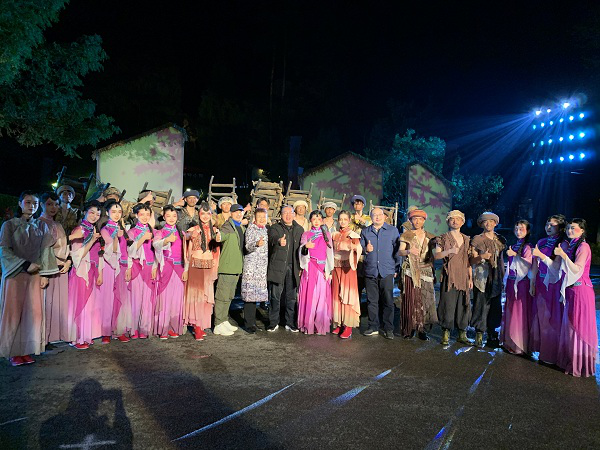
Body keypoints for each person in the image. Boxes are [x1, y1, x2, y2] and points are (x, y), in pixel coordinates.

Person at [0, 191, 58, 366]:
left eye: (35, 203)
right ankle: (13, 352)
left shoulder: (41, 226)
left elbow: (46, 250)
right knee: (13, 313)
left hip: (35, 275)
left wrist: (45, 274)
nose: (31, 206)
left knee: (33, 313)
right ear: (20, 203)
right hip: (15, 273)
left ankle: (26, 349)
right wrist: (25, 264)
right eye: (28, 202)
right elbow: (4, 249)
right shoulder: (9, 225)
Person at [545, 219, 596, 377]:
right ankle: (570, 360)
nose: (569, 230)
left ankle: (579, 364)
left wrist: (563, 255)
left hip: (581, 290)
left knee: (578, 327)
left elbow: (577, 269)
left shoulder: (583, 246)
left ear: (582, 230)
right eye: (568, 228)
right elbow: (558, 269)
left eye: (573, 228)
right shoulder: (571, 245)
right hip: (571, 290)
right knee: (570, 327)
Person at [529, 214, 566, 364]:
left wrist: (541, 255)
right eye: (547, 224)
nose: (548, 227)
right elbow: (534, 265)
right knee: (541, 317)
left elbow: (556, 267)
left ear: (560, 228)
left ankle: (553, 354)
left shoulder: (562, 245)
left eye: (552, 225)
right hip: (540, 283)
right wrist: (532, 283)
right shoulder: (541, 242)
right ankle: (544, 352)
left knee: (553, 318)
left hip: (554, 285)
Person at [360, 207, 401, 339]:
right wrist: (365, 249)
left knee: (388, 300)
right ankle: (373, 326)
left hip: (387, 270)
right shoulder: (365, 231)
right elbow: (360, 249)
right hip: (371, 270)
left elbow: (398, 251)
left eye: (379, 214)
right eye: (374, 215)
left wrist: (396, 268)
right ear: (371, 217)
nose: (377, 217)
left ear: (384, 216)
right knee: (372, 301)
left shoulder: (393, 231)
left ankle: (388, 328)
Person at [68, 201, 104, 350]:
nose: (95, 216)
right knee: (80, 304)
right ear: (84, 212)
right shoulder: (79, 229)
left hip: (92, 270)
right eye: (92, 212)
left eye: (98, 214)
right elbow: (77, 255)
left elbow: (98, 254)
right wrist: (92, 240)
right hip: (81, 271)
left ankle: (86, 335)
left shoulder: (93, 230)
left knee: (89, 305)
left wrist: (100, 272)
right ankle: (77, 337)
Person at [434, 210, 473, 346]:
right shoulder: (442, 238)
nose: (455, 221)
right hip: (449, 276)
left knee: (463, 304)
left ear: (462, 222)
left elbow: (468, 260)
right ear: (448, 222)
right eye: (452, 219)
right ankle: (445, 332)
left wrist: (470, 278)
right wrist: (449, 251)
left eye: (458, 219)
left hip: (463, 276)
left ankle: (462, 333)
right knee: (447, 304)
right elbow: (437, 256)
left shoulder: (467, 239)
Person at [39, 192, 73, 344]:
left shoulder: (58, 225)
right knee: (46, 304)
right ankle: (43, 338)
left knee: (58, 304)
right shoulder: (38, 223)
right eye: (49, 204)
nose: (53, 207)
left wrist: (68, 262)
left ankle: (54, 336)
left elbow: (65, 247)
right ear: (41, 205)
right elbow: (41, 250)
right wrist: (44, 273)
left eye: (56, 204)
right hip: (47, 269)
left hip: (61, 268)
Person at [398, 208, 437, 340]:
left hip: (426, 270)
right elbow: (400, 251)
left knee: (425, 300)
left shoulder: (431, 237)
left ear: (424, 221)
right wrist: (409, 252)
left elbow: (436, 253)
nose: (417, 221)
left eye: (420, 219)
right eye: (415, 219)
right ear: (411, 220)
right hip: (411, 271)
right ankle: (410, 328)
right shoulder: (406, 235)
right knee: (411, 299)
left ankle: (422, 329)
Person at [469, 212, 506, 348]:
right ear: (481, 224)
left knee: (495, 306)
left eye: (491, 221)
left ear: (495, 223)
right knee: (481, 305)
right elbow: (471, 260)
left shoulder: (500, 240)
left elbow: (501, 260)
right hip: (482, 276)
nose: (488, 224)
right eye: (485, 221)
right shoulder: (477, 239)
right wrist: (482, 257)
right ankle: (479, 333)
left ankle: (492, 334)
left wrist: (503, 277)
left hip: (496, 277)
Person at [185, 202, 220, 341]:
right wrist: (190, 235)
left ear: (211, 215)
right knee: (197, 297)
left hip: (209, 265)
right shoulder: (194, 229)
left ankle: (203, 324)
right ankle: (197, 327)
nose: (205, 216)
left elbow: (216, 251)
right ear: (199, 215)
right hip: (196, 266)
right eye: (202, 213)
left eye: (208, 213)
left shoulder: (215, 230)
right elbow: (186, 238)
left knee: (206, 297)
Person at [266, 205, 304, 332]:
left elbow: (302, 249)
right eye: (285, 213)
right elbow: (271, 239)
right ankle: (273, 322)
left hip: (293, 267)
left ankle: (290, 322)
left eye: (290, 213)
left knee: (291, 297)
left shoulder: (299, 229)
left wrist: (301, 266)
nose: (288, 215)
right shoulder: (275, 228)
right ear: (281, 215)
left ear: (294, 214)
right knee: (275, 296)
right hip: (278, 266)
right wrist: (278, 241)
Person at [153, 205, 187, 339]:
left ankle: (173, 327)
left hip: (180, 268)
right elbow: (155, 244)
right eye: (168, 216)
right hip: (166, 267)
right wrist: (166, 240)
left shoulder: (181, 232)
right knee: (165, 298)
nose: (171, 218)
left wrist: (186, 269)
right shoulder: (160, 232)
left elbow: (187, 252)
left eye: (174, 216)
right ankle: (163, 328)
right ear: (164, 217)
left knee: (177, 299)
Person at [297, 211, 334, 334]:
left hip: (322, 268)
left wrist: (329, 270)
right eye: (314, 219)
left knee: (321, 297)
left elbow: (330, 253)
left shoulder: (326, 234)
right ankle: (308, 324)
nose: (316, 221)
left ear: (322, 221)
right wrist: (305, 247)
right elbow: (301, 251)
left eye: (319, 219)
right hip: (310, 266)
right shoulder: (306, 234)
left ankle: (320, 325)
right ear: (310, 221)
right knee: (310, 296)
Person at [500, 220, 533, 354]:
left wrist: (516, 256)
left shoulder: (527, 247)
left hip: (521, 284)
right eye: (516, 229)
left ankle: (519, 345)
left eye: (521, 229)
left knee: (519, 313)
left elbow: (528, 264)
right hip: (511, 282)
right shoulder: (514, 246)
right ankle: (510, 342)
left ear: (527, 231)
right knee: (511, 311)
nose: (518, 232)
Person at [213, 204, 245, 336]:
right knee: (222, 296)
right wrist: (218, 236)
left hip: (236, 267)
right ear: (231, 213)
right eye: (236, 212)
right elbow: (221, 236)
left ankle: (224, 320)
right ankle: (218, 323)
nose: (238, 214)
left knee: (229, 296)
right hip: (227, 267)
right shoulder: (227, 226)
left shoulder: (241, 227)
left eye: (240, 212)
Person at [126, 203, 157, 339]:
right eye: (142, 214)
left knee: (147, 299)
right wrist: (143, 238)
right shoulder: (131, 232)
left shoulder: (153, 231)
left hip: (149, 267)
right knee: (135, 299)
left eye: (147, 214)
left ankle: (144, 328)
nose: (145, 217)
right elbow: (129, 251)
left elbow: (157, 252)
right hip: (136, 267)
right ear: (136, 215)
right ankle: (134, 329)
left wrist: (155, 267)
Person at [97, 201, 125, 344]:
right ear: (107, 213)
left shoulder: (121, 228)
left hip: (119, 266)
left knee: (118, 298)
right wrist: (115, 237)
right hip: (108, 266)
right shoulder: (105, 229)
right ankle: (106, 332)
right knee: (107, 299)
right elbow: (110, 251)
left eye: (119, 212)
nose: (116, 214)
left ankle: (117, 329)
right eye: (113, 212)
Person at [331, 210, 362, 339]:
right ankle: (339, 323)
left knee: (347, 296)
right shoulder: (334, 234)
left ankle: (348, 325)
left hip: (348, 269)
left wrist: (353, 248)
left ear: (349, 220)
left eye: (345, 219)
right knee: (337, 296)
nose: (343, 221)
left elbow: (358, 249)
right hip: (336, 268)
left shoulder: (353, 234)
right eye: (341, 219)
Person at [241, 208, 269, 333]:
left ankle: (252, 322)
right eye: (260, 216)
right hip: (252, 267)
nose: (262, 219)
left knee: (256, 295)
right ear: (255, 218)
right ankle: (248, 324)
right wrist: (256, 244)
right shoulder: (251, 229)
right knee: (249, 296)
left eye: (264, 216)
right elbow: (247, 246)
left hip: (261, 268)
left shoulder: (265, 229)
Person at [349, 195, 372, 300]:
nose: (357, 205)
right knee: (354, 279)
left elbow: (370, 227)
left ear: (363, 205)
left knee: (365, 279)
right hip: (352, 250)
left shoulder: (368, 218)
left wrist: (361, 220)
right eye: (355, 203)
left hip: (364, 251)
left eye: (359, 203)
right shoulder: (349, 217)